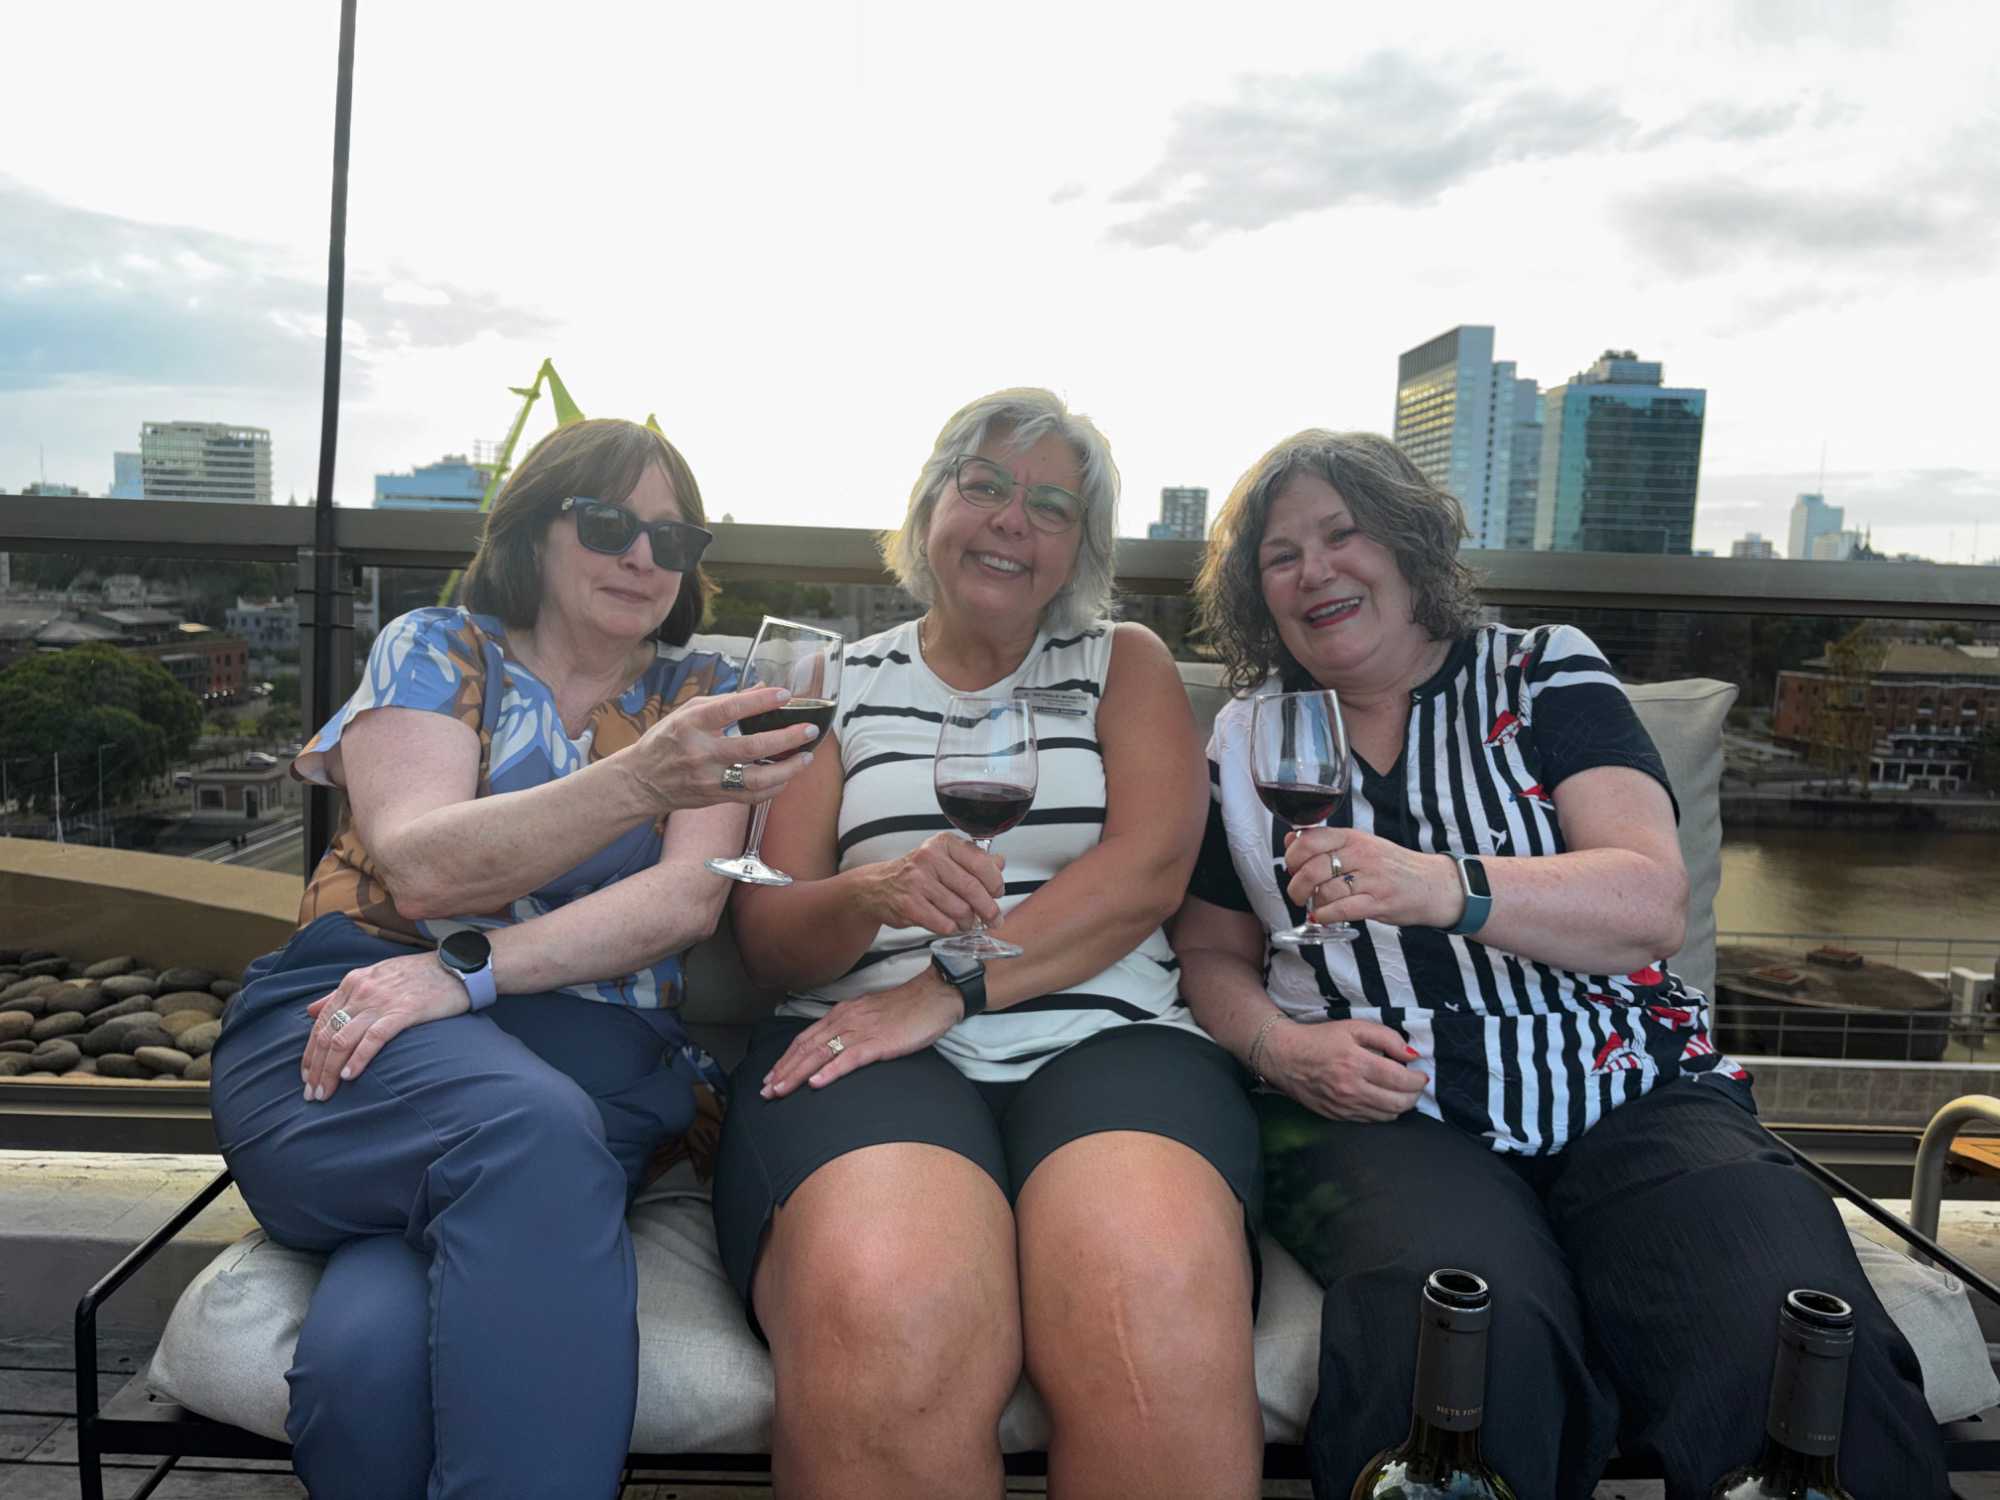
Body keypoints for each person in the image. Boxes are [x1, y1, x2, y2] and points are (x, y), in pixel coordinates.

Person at [1173, 429, 1947, 1500]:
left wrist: (1441, 883)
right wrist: (1279, 1049)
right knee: (1457, 1329)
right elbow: (1210, 950)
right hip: (1376, 1109)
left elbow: (1648, 903)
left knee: (1782, 1322)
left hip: (1628, 1087)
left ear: (1407, 544)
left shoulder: (1541, 671)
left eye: (1342, 534)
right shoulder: (1246, 737)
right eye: (1280, 555)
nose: (1314, 570)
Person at [206, 419, 819, 1500]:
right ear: (534, 527)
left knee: (367, 1368)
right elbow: (423, 869)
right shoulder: (440, 649)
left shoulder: (706, 692)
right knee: (525, 1134)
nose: (643, 557)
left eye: (674, 539)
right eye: (610, 523)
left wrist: (465, 973)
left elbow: (684, 900)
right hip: (357, 1027)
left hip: (586, 1063)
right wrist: (640, 782)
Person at [714, 388, 1264, 1500]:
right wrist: (870, 891)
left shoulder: (1124, 663)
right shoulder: (836, 685)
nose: (1013, 519)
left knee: (1145, 1293)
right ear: (931, 508)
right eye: (985, 486)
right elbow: (769, 938)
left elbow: (1148, 872)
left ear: (1078, 550)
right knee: (888, 1297)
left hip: (1110, 1036)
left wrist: (948, 985)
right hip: (861, 1043)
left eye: (1051, 506)